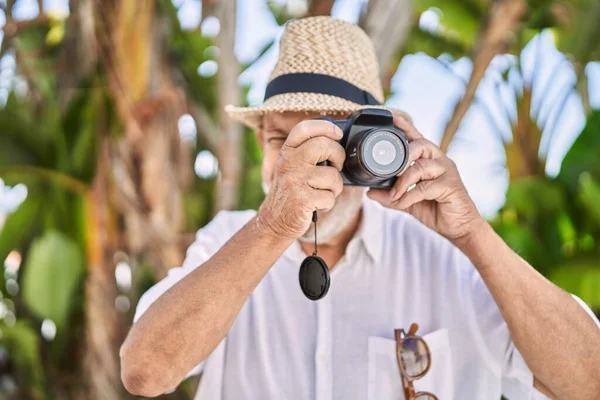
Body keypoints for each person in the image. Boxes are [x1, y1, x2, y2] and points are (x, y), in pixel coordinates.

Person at [120, 16, 600, 400]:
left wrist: (472, 233)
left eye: (327, 139)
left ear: (375, 147)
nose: (301, 163)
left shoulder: (446, 252)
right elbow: (144, 373)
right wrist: (272, 227)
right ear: (260, 144)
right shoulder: (227, 239)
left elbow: (588, 384)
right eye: (280, 141)